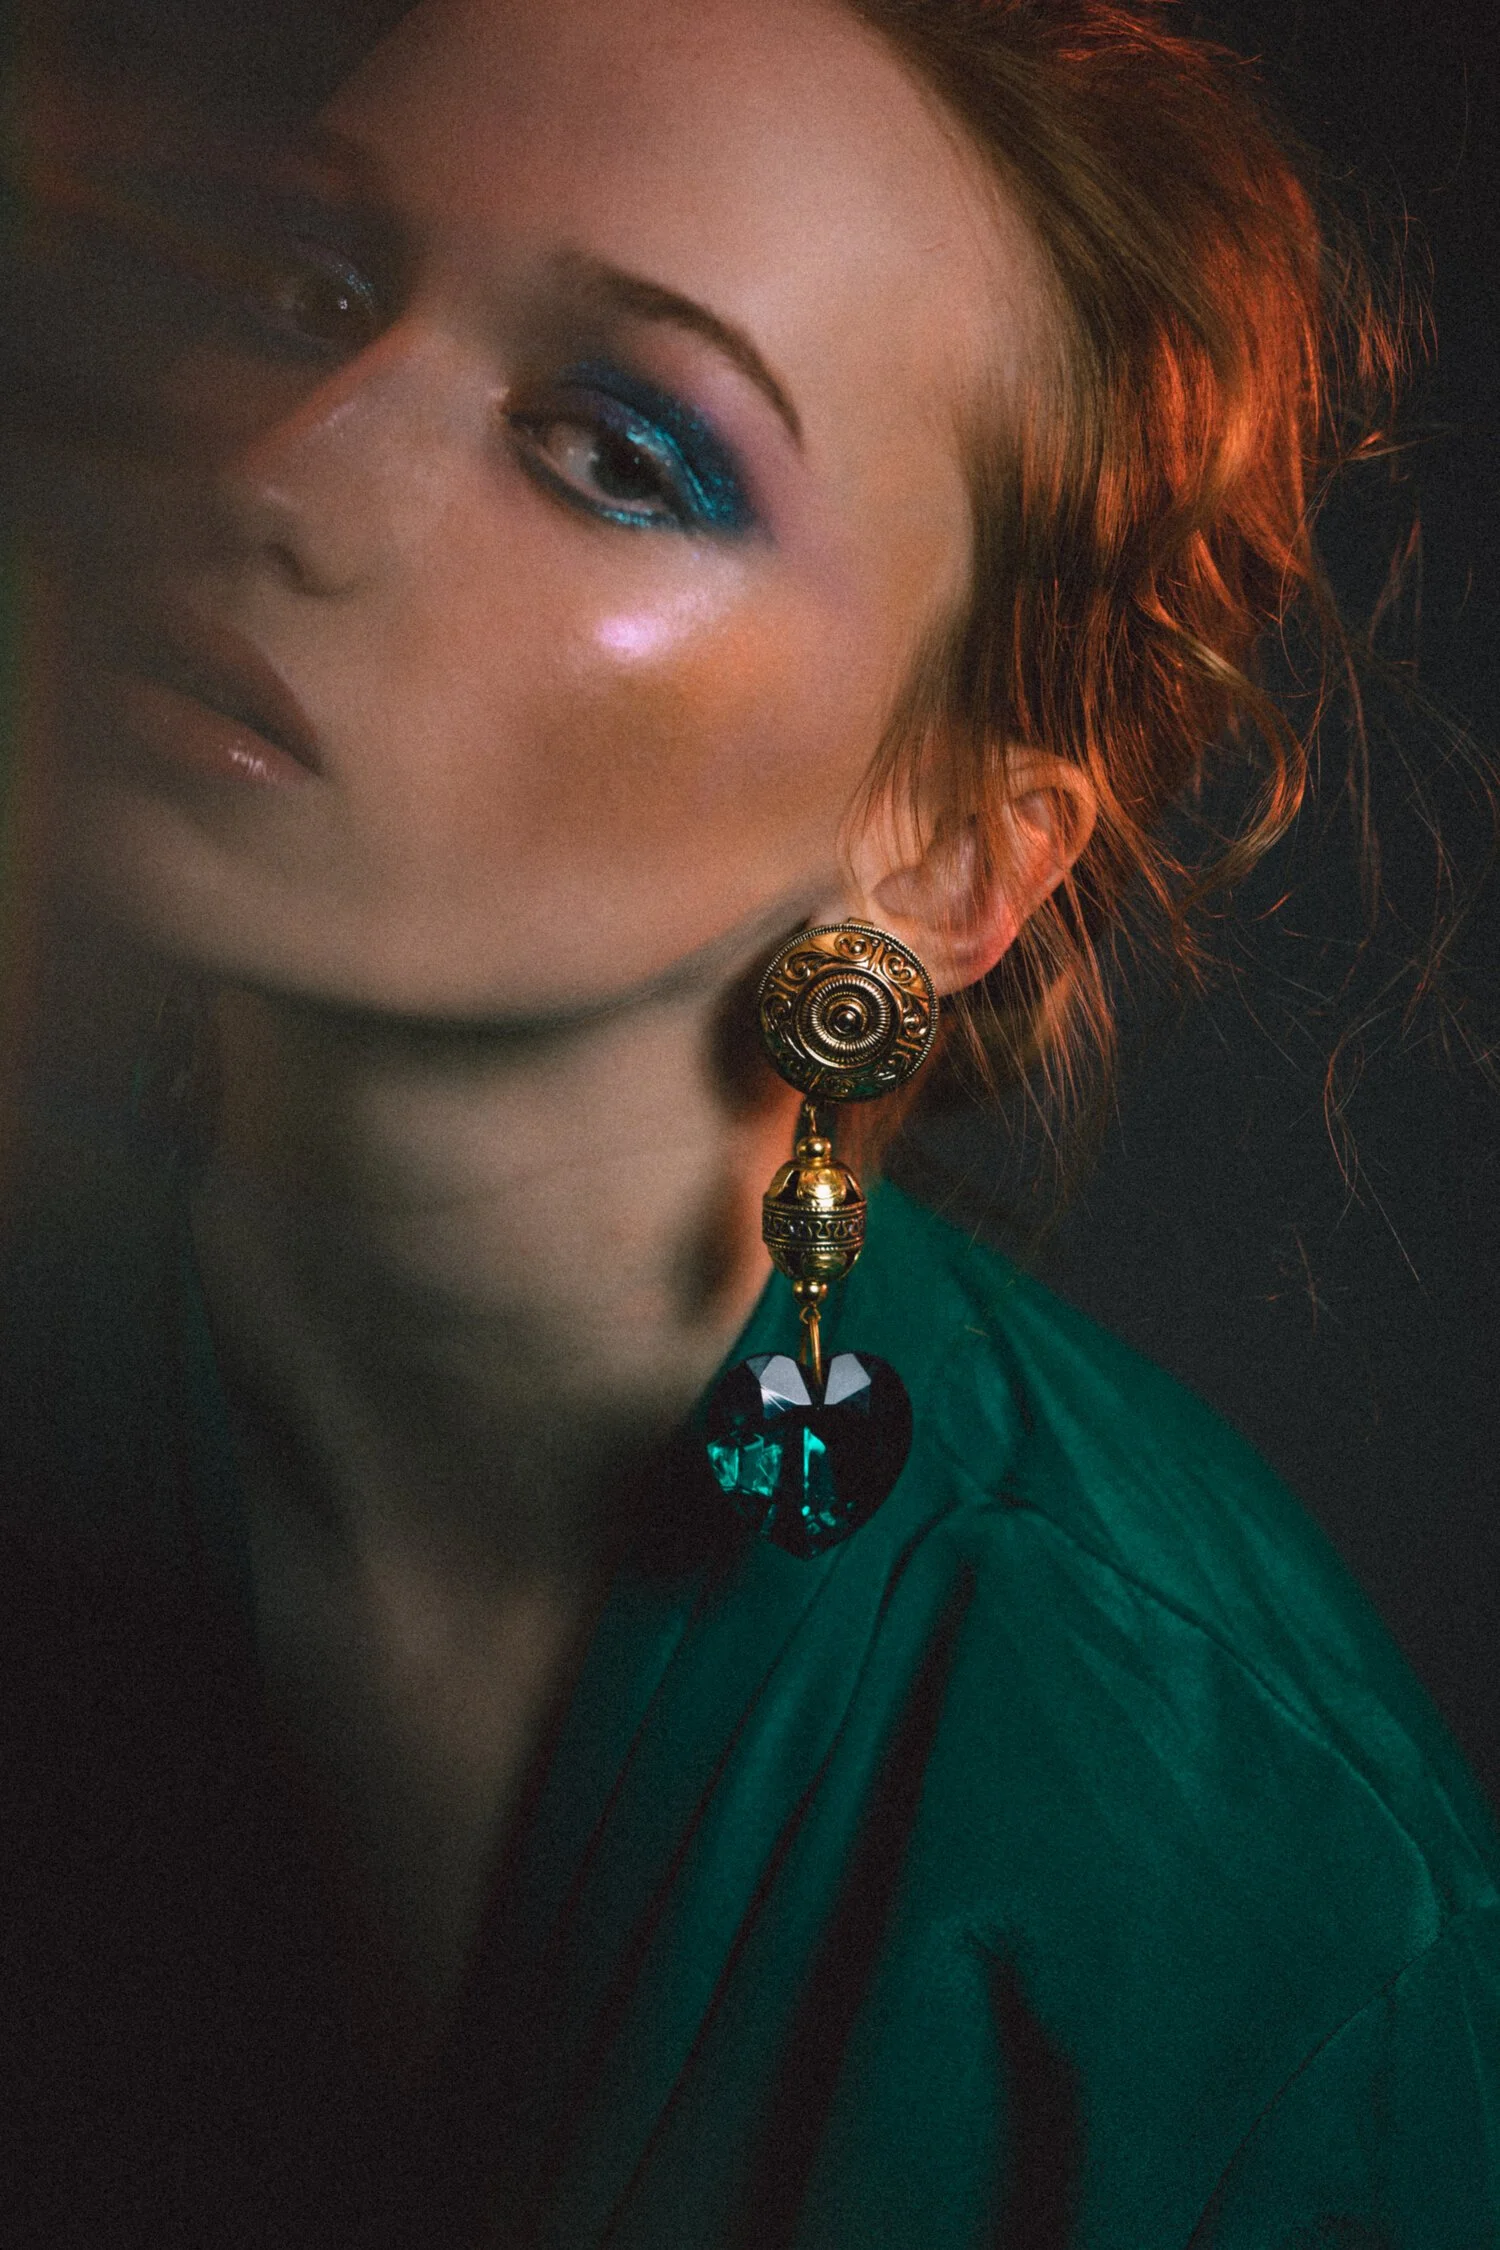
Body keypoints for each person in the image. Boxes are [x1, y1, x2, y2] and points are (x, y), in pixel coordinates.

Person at [2, 0, 1497, 2243]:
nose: (283, 470)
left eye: (617, 449)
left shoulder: (1256, 1923)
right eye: (313, 291)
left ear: (953, 856)